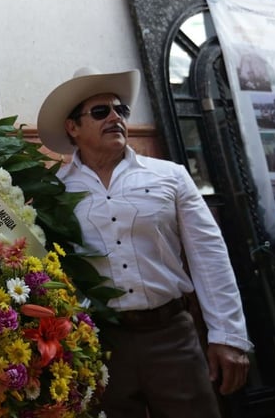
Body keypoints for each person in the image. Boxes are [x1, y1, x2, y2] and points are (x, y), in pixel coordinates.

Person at [36, 67, 252, 418]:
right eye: (101, 111)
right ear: (72, 127)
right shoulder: (53, 191)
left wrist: (227, 336)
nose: (115, 118)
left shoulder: (170, 175)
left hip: (172, 335)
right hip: (99, 344)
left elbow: (209, 256)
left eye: (120, 110)